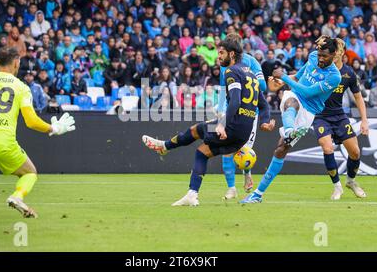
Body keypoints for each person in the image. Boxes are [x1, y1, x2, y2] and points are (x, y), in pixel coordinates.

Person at [142, 38, 274, 206]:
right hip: (243, 134)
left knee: (197, 130)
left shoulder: (232, 71)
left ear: (231, 54)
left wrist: (222, 124)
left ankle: (165, 147)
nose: (218, 57)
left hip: (232, 126)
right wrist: (265, 122)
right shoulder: (251, 75)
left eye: (221, 53)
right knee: (202, 152)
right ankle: (192, 194)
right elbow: (263, 105)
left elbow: (234, 101)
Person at [0, 47, 75, 218]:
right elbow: (31, 121)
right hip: (4, 144)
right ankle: (16, 197)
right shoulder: (21, 87)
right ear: (17, 63)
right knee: (30, 173)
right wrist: (54, 128)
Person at [241, 37, 341, 203]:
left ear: (334, 55)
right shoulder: (313, 56)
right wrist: (281, 81)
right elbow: (299, 76)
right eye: (320, 54)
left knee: (281, 150)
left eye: (325, 56)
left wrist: (284, 76)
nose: (321, 58)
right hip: (295, 97)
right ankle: (289, 130)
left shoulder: (334, 77)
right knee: (290, 103)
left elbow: (309, 92)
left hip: (309, 111)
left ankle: (258, 194)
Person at [312, 39, 368, 200]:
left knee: (355, 152)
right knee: (327, 148)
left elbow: (358, 98)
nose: (334, 54)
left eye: (337, 51)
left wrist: (364, 120)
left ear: (341, 53)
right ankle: (337, 187)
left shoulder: (348, 73)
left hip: (339, 116)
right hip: (320, 116)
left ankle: (350, 181)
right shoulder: (321, 67)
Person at [217, 33, 270, 200]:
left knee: (243, 149)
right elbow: (222, 87)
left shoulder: (251, 62)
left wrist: (247, 76)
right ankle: (232, 187)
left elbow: (262, 85)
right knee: (227, 148)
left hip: (248, 112)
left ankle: (245, 174)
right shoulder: (224, 65)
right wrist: (220, 110)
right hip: (233, 111)